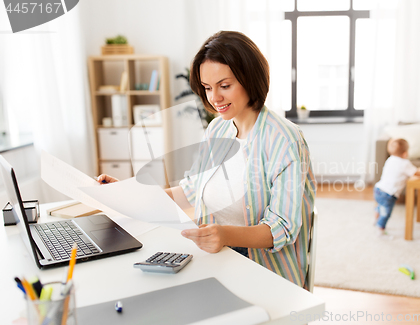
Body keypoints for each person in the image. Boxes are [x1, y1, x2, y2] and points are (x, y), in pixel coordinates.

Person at [98, 31, 316, 289]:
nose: (214, 98)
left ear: (251, 78)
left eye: (225, 86)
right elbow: (190, 191)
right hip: (218, 256)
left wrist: (225, 235)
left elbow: (283, 228)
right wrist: (129, 193)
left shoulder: (284, 139)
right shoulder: (217, 130)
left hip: (265, 271)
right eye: (208, 88)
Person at [374, 138, 420, 237]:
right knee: (386, 213)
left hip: (378, 189)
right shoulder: (405, 164)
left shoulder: (390, 159)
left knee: (380, 207)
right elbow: (415, 173)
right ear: (405, 153)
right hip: (388, 194)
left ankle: (375, 220)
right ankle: (380, 229)